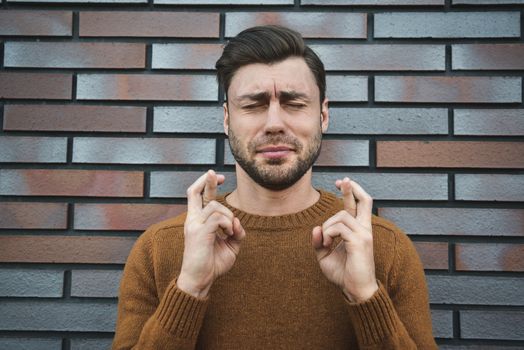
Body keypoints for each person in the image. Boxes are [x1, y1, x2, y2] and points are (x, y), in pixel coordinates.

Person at [112, 25, 437, 349]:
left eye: (294, 103)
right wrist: (189, 289)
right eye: (253, 105)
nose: (274, 124)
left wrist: (365, 295)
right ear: (227, 119)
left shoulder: (383, 247)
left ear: (323, 115)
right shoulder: (159, 250)